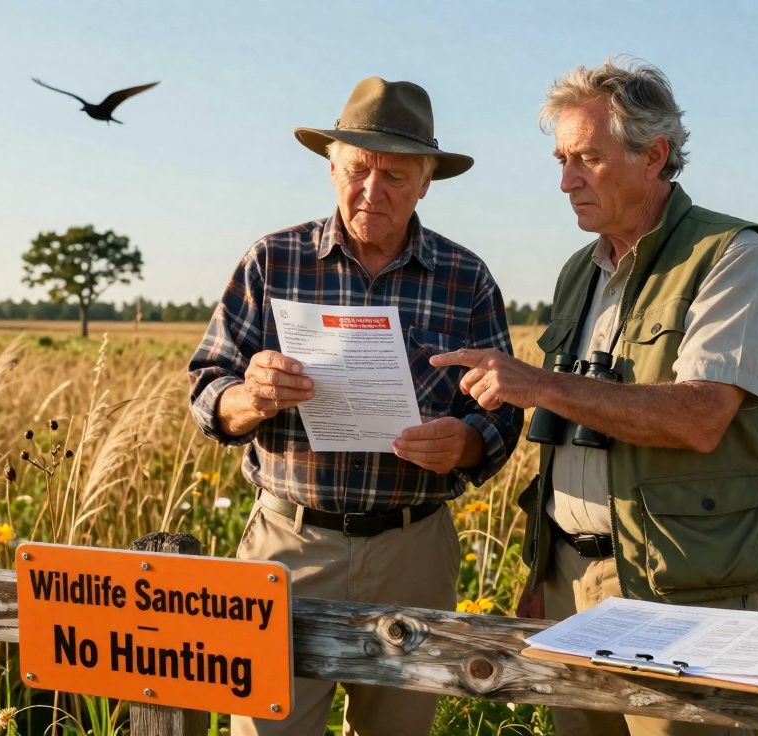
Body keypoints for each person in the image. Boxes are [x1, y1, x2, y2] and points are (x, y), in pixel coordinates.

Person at [431, 58, 758, 736]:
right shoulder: (582, 270)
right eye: (561, 159)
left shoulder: (733, 256)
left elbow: (701, 416)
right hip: (573, 585)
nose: (567, 181)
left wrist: (537, 383)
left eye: (588, 159)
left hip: (685, 591)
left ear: (654, 156)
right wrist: (544, 568)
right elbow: (568, 439)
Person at [188, 76, 522, 736]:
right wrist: (250, 398)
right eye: (357, 171)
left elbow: (504, 417)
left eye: (395, 176)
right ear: (332, 167)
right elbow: (207, 392)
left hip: (413, 550)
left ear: (427, 181)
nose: (372, 191)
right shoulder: (272, 261)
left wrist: (465, 443)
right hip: (289, 545)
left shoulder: (467, 278)